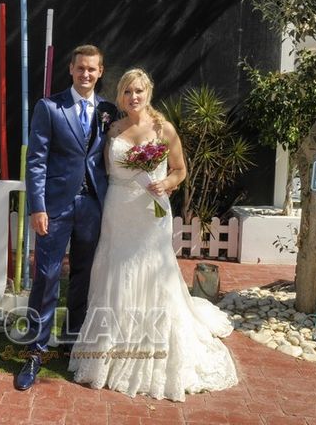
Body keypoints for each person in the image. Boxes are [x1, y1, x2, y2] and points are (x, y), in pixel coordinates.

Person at [68, 68, 238, 401]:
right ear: (120, 96)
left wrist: (167, 183)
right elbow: (104, 171)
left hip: (151, 212)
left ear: (149, 93)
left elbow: (180, 170)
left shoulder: (163, 129)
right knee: (116, 271)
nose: (133, 97)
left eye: (139, 92)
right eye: (128, 92)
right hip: (118, 211)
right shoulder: (112, 129)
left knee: (152, 275)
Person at [15, 45, 118, 391]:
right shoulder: (49, 106)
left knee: (84, 280)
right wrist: (37, 207)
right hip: (55, 208)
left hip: (93, 207)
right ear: (71, 70)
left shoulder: (108, 110)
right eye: (80, 69)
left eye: (92, 69)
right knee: (46, 278)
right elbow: (37, 160)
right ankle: (34, 352)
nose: (86, 74)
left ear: (100, 71)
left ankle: (71, 345)